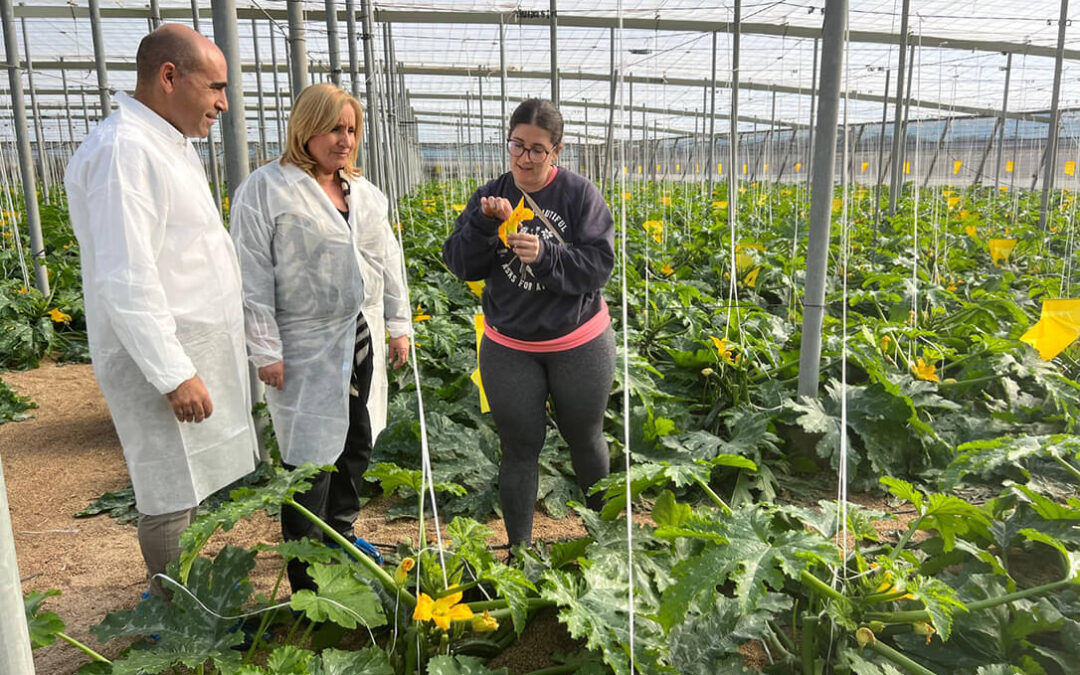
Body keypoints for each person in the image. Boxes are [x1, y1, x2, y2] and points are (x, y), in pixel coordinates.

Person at [64, 24, 258, 597]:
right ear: (169, 77)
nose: (224, 103)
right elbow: (125, 278)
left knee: (188, 481)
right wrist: (174, 373)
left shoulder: (161, 142)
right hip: (163, 360)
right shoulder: (124, 150)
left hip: (188, 347)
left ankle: (182, 598)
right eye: (216, 87)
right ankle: (174, 611)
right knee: (169, 485)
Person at [229, 83, 410, 592]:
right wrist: (265, 349)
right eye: (334, 127)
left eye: (351, 129)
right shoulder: (267, 189)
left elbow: (387, 261)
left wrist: (399, 325)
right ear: (306, 128)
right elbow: (252, 274)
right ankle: (307, 575)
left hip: (361, 335)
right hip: (303, 343)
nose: (345, 139)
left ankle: (343, 533)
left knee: (357, 439)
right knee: (309, 458)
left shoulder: (365, 193)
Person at [442, 99, 616, 545]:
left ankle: (607, 540)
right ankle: (518, 551)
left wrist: (546, 255)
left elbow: (598, 266)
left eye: (537, 149)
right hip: (510, 346)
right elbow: (460, 264)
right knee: (518, 449)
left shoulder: (579, 195)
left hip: (579, 342)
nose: (524, 157)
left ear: (556, 151)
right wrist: (482, 225)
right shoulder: (491, 194)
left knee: (586, 440)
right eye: (517, 145)